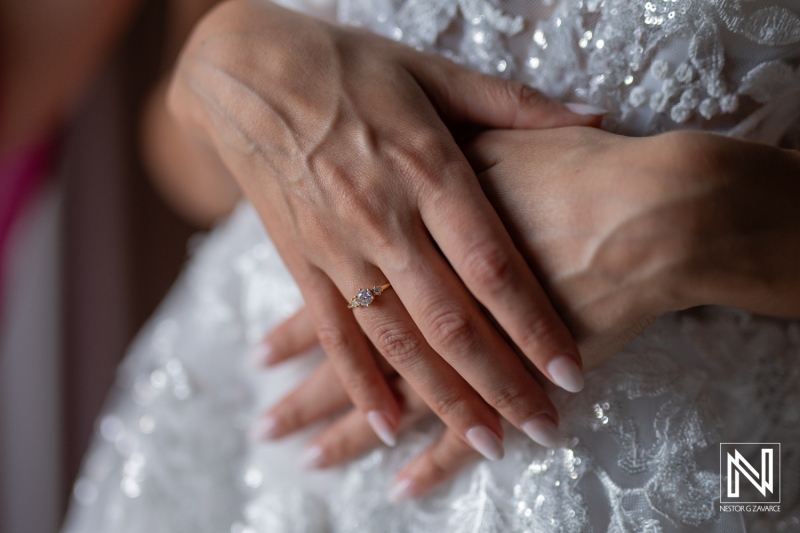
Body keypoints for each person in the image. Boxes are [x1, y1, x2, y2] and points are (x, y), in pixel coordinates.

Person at [62, 0, 800, 531]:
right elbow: (190, 168)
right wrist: (220, 69)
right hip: (265, 458)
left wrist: (701, 213)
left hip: (734, 468)